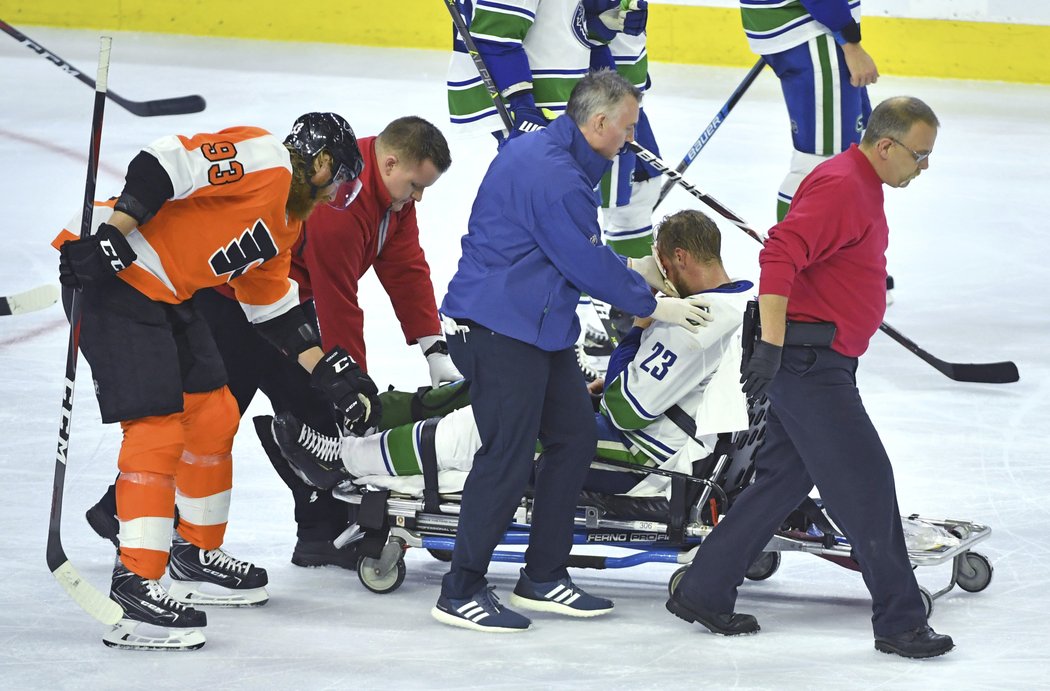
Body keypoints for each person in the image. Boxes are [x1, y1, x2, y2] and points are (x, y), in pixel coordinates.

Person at [54, 113, 382, 650]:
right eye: (339, 180)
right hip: (111, 278)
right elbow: (164, 160)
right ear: (321, 163)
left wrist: (329, 373)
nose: (336, 195)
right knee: (157, 429)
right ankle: (134, 582)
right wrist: (113, 235)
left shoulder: (284, 226)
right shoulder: (267, 161)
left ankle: (193, 553)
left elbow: (271, 310)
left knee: (213, 414)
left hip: (166, 293)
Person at [84, 116, 459, 572]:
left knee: (303, 412)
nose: (417, 196)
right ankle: (121, 510)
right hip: (227, 306)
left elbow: (405, 269)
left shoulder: (386, 201)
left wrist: (431, 347)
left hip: (274, 309)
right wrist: (352, 378)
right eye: (416, 184)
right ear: (390, 161)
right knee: (207, 418)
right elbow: (338, 298)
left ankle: (320, 533)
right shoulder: (334, 200)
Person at [665, 96, 954, 659]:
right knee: (868, 487)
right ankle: (900, 620)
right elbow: (780, 255)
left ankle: (703, 588)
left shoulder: (858, 183)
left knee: (781, 481)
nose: (924, 167)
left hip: (817, 360)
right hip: (808, 366)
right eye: (920, 155)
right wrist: (771, 347)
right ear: (887, 145)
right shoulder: (845, 185)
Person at [432, 69, 713, 633]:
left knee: (574, 436)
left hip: (538, 326)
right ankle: (459, 587)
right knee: (507, 456)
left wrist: (631, 273)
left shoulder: (548, 153)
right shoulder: (556, 176)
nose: (631, 140)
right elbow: (583, 262)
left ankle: (542, 575)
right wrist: (654, 303)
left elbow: (568, 250)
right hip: (499, 326)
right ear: (599, 123)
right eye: (628, 129)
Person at [269, 209, 753, 504]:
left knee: (493, 426)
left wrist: (638, 327)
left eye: (662, 266)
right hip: (653, 433)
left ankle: (344, 459)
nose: (659, 278)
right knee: (505, 387)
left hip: (648, 455)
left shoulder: (700, 320)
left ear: (681, 259)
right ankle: (378, 419)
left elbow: (626, 411)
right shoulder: (728, 303)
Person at [739, 0, 878, 222]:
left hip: (813, 29)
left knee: (839, 157)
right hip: (813, 31)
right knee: (821, 165)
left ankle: (803, 252)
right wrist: (850, 41)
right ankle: (785, 254)